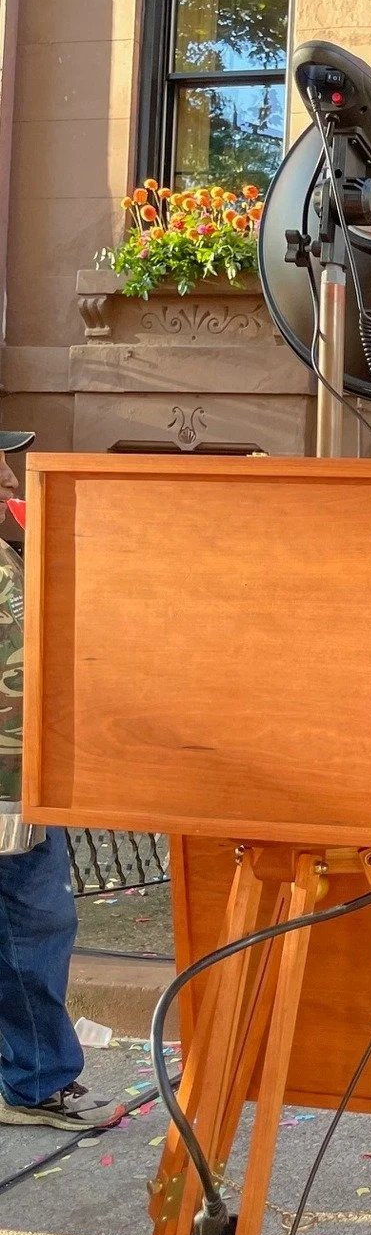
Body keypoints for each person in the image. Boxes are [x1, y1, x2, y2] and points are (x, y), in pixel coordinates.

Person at [0, 433, 123, 1131]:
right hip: (9, 779)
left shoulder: (13, 554)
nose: (9, 475)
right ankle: (36, 1079)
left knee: (35, 923)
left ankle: (36, 1078)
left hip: (24, 782)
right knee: (32, 923)